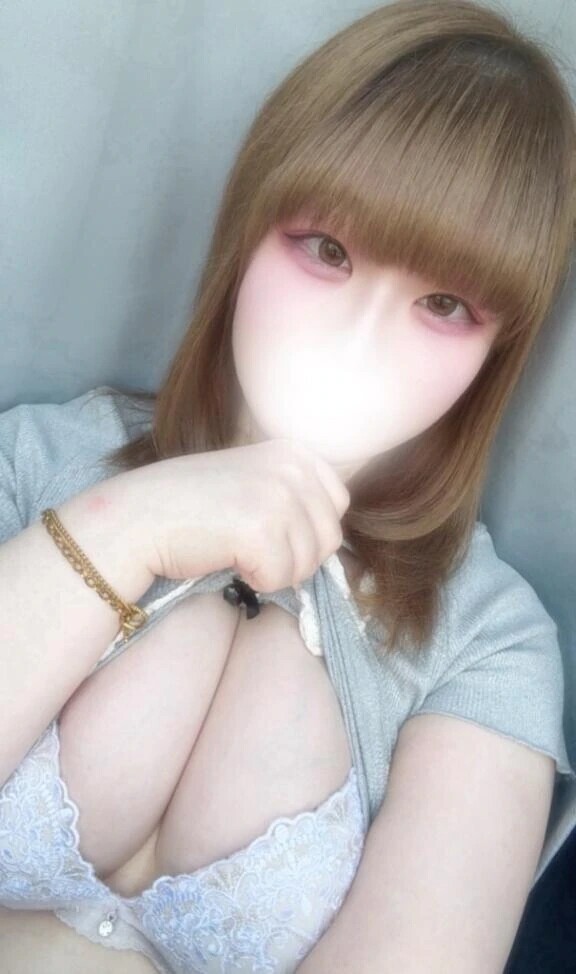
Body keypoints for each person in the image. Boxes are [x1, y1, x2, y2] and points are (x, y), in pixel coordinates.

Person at [0, 0, 575, 971]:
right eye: (328, 251)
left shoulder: (489, 645)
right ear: (252, 222)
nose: (360, 339)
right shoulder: (37, 459)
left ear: (498, 349)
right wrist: (126, 525)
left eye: (443, 303)